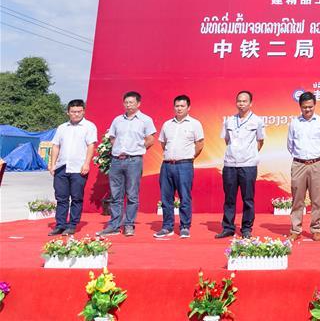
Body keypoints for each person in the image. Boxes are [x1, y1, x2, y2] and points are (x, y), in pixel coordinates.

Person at [98, 91, 156, 237]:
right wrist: (119, 150)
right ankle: (114, 225)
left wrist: (137, 150)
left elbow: (150, 139)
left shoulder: (145, 120)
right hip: (117, 161)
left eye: (132, 102)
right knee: (116, 194)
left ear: (138, 103)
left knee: (132, 194)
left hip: (134, 161)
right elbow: (112, 138)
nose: (129, 105)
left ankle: (129, 224)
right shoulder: (117, 120)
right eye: (126, 102)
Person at [216, 90, 265, 239]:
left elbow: (260, 141)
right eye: (239, 101)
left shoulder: (257, 121)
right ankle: (228, 227)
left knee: (248, 199)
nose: (241, 104)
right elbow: (226, 140)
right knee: (229, 198)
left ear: (251, 103)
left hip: (248, 165)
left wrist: (249, 154)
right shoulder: (229, 120)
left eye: (244, 101)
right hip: (230, 164)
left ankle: (246, 228)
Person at [155, 95, 204, 239]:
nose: (179, 108)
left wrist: (189, 157)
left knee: (185, 197)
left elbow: (200, 144)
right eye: (177, 106)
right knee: (166, 198)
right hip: (167, 165)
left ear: (188, 107)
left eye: (182, 106)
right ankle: (167, 227)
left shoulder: (195, 124)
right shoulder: (167, 124)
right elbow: (163, 143)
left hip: (185, 165)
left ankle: (184, 226)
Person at [48, 99, 97, 236]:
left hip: (79, 168)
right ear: (68, 112)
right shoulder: (62, 127)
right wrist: (52, 164)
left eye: (79, 111)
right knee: (61, 198)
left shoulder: (89, 126)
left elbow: (91, 145)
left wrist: (87, 163)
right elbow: (56, 145)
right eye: (73, 112)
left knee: (76, 197)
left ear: (83, 111)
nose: (76, 114)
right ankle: (60, 224)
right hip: (62, 167)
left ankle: (72, 224)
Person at [288, 91, 320, 242]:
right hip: (299, 163)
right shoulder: (294, 123)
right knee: (297, 199)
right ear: (300, 106)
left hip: (316, 163)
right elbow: (290, 145)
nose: (308, 110)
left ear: (315, 106)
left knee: (316, 199)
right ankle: (295, 229)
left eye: (310, 107)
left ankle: (316, 228)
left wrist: (317, 157)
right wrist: (300, 158)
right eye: (305, 107)